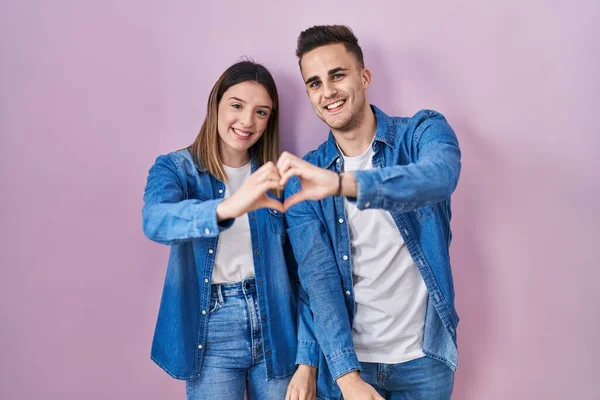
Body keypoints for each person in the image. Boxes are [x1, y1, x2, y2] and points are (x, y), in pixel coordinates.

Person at [280, 25, 461, 400]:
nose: (327, 91)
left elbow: (439, 177)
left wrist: (347, 184)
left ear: (364, 77)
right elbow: (319, 280)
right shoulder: (304, 177)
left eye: (337, 75)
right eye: (314, 83)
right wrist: (347, 378)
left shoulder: (420, 133)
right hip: (349, 363)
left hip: (424, 360)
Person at [142, 60, 298, 399]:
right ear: (216, 104)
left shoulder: (281, 177)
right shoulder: (176, 168)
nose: (247, 121)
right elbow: (155, 221)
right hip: (212, 327)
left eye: (261, 112)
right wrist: (228, 207)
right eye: (237, 105)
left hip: (277, 322)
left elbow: (301, 269)